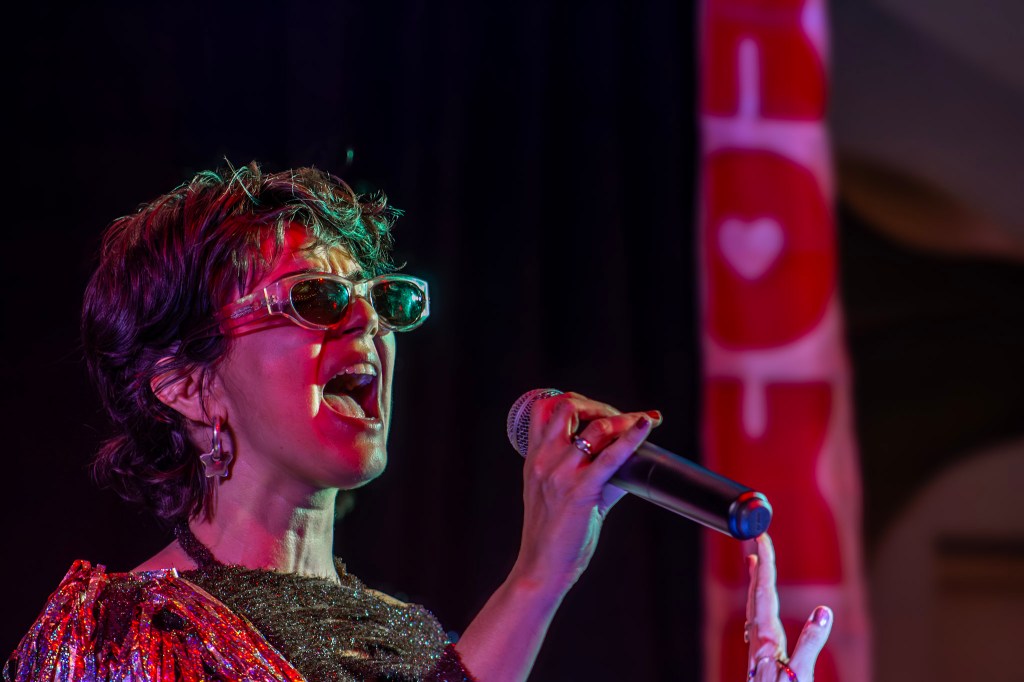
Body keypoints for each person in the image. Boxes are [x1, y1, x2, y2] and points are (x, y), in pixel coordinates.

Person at [5, 162, 832, 682]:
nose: (365, 324)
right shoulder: (121, 632)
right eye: (319, 299)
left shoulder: (409, 640)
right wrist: (536, 578)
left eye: (380, 301)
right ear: (185, 384)